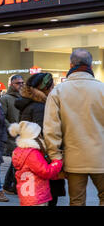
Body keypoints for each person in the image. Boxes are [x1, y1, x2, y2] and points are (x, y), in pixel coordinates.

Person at [44, 49, 104, 206]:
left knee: (76, 201)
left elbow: (51, 130)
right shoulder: (102, 89)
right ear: (90, 65)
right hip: (102, 158)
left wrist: (56, 158)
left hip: (73, 159)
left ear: (70, 65)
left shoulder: (58, 92)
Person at [14, 73, 66, 206]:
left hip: (33, 158)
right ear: (46, 88)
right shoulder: (41, 107)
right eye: (52, 86)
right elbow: (44, 134)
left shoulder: (30, 104)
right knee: (48, 197)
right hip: (43, 159)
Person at [9, 121, 64, 206]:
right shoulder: (32, 153)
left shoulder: (20, 151)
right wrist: (57, 162)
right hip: (37, 197)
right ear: (35, 136)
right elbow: (46, 171)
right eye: (39, 134)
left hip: (27, 196)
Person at [1, 75, 24, 195]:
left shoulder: (24, 97)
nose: (20, 85)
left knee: (17, 161)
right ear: (11, 84)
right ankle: (11, 185)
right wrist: (11, 128)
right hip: (12, 135)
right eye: (17, 83)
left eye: (22, 82)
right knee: (17, 160)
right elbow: (2, 117)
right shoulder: (5, 98)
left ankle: (9, 185)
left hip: (23, 134)